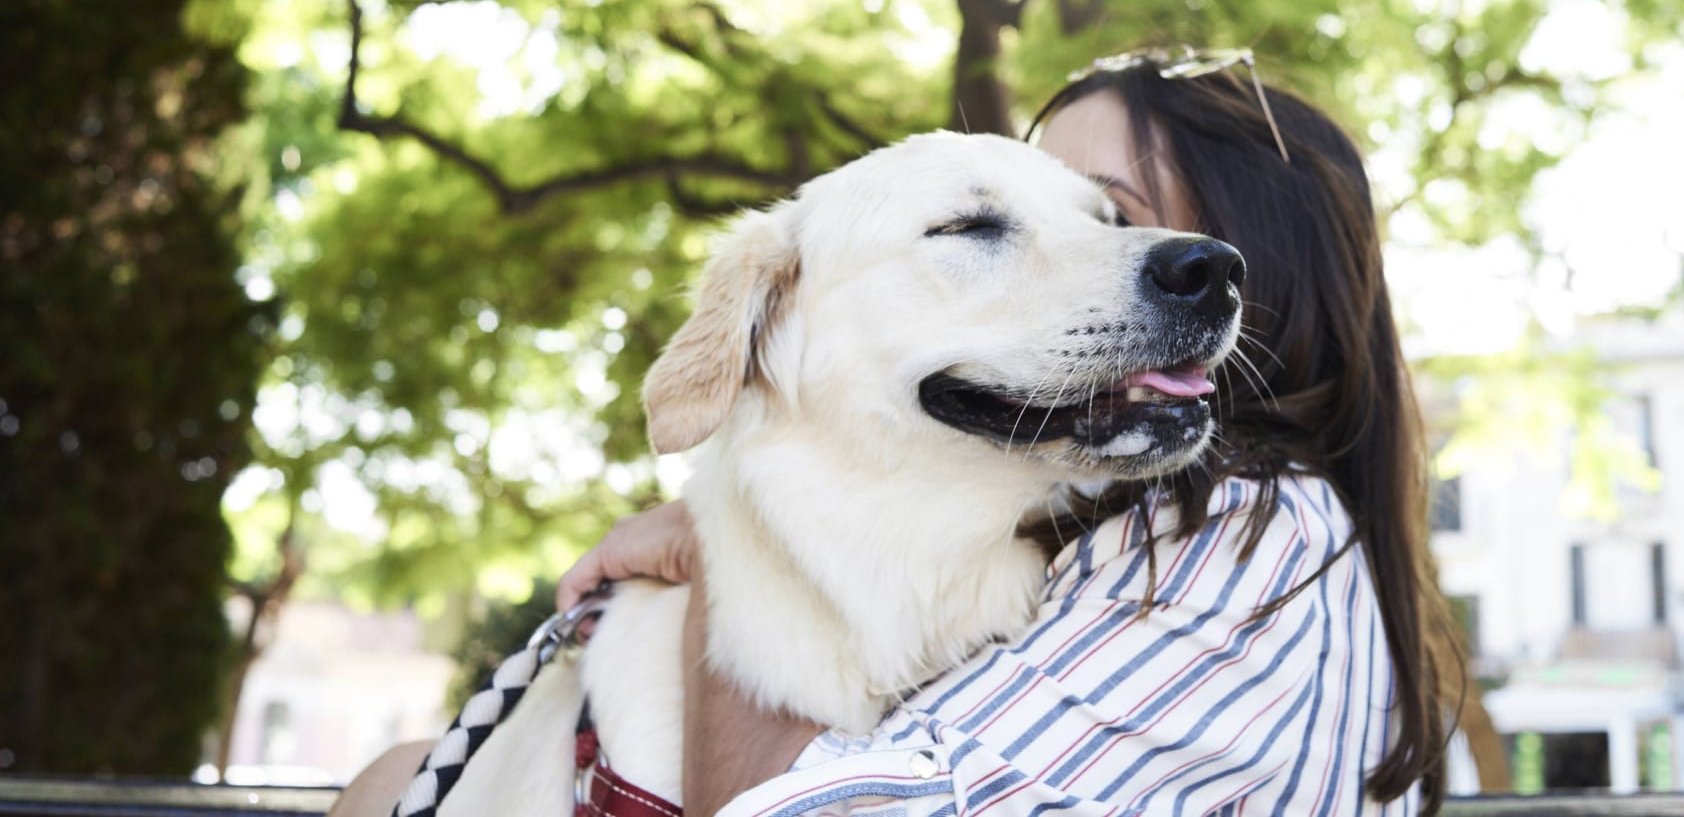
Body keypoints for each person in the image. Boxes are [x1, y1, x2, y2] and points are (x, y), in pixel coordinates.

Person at [331, 49, 1460, 817]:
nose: (1134, 262)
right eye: (981, 224)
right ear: (770, 323)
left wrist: (722, 562)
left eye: (1112, 217)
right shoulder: (1086, 543)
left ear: (1261, 259)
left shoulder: (1242, 538)